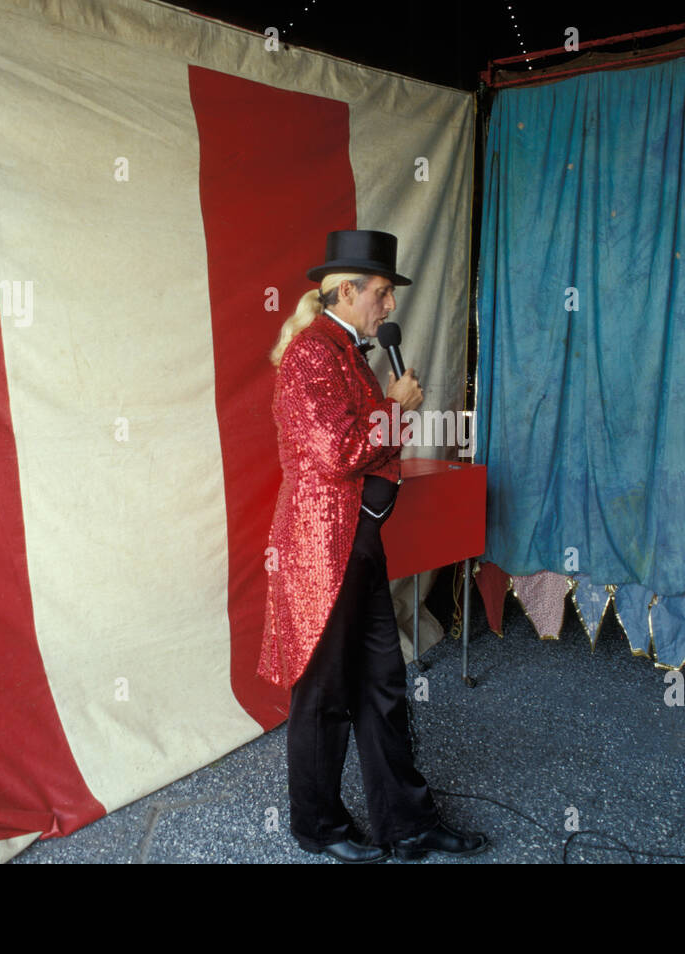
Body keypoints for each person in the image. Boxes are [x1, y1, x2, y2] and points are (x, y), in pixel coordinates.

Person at [257, 229, 489, 863]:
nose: (390, 306)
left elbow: (367, 447)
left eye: (389, 294)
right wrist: (393, 407)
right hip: (323, 549)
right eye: (382, 293)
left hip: (357, 543)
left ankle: (408, 825)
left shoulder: (352, 353)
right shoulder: (312, 354)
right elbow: (338, 453)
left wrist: (387, 412)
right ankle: (319, 827)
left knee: (383, 683)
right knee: (325, 691)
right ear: (345, 291)